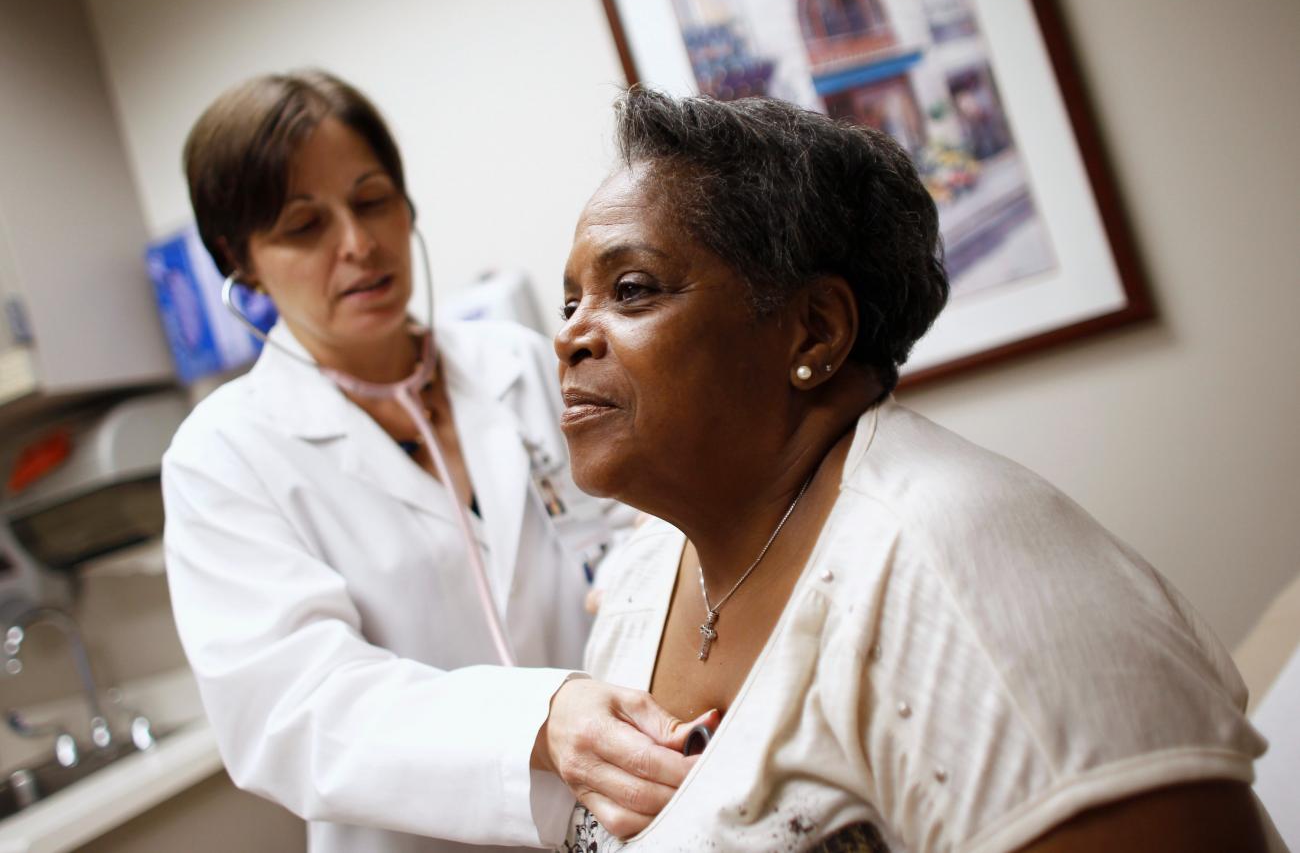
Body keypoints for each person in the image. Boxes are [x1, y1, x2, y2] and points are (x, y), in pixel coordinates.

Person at [553, 88, 1275, 852]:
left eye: (631, 289)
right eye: (571, 302)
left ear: (815, 331)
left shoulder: (975, 582)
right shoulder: (641, 578)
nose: (570, 336)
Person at [162, 71, 705, 853]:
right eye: (303, 224)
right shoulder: (224, 457)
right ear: (239, 261)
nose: (358, 242)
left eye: (373, 198)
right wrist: (540, 721)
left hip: (632, 820)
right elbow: (297, 708)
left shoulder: (519, 365)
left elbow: (652, 529)